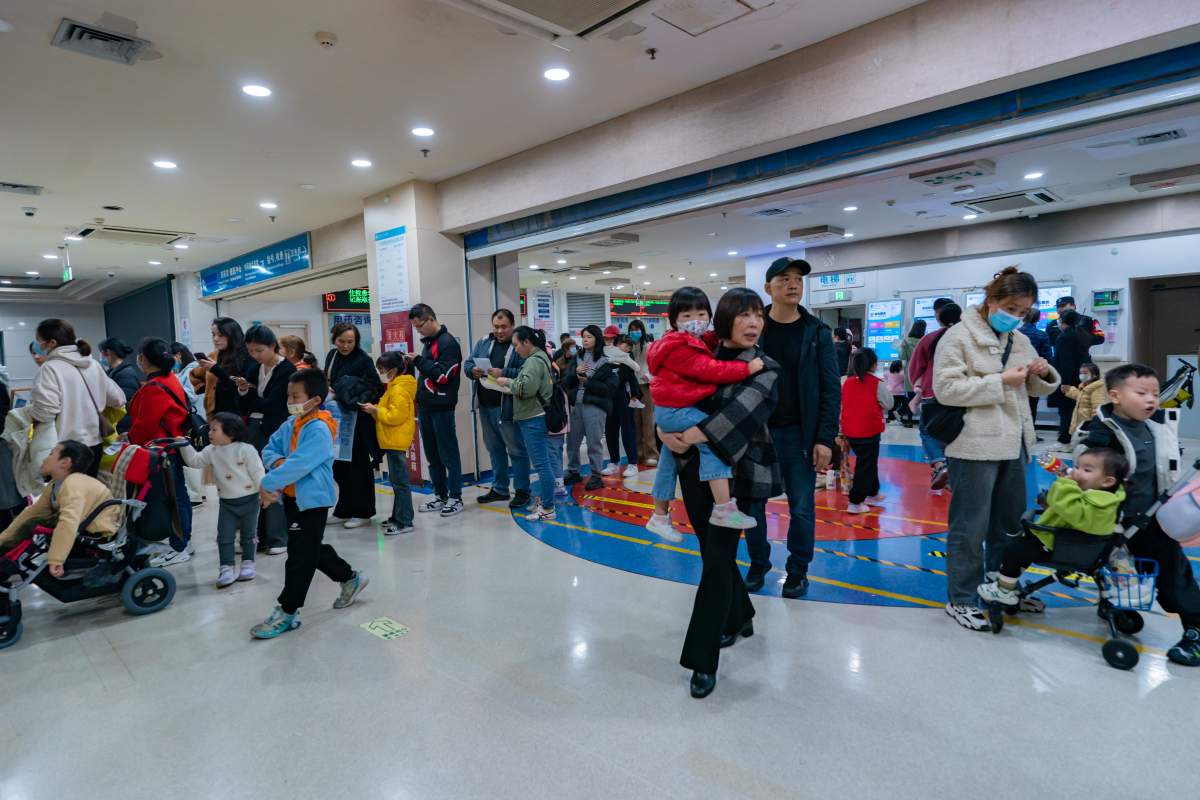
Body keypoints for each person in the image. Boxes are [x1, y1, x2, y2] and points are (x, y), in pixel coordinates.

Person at [659, 288, 781, 698]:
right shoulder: (699, 354)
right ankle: (740, 615)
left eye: (758, 316)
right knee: (713, 550)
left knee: (715, 563)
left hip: (739, 478)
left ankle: (702, 658)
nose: (753, 323)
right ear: (724, 319)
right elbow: (669, 394)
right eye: (744, 316)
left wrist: (689, 435)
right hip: (695, 473)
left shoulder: (763, 368)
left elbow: (737, 416)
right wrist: (663, 431)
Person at [933, 266, 1060, 631]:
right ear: (991, 301)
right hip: (974, 446)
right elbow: (947, 389)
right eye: (1012, 307)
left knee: (1010, 526)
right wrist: (999, 381)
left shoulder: (1019, 341)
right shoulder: (958, 337)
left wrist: (1042, 372)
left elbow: (1034, 389)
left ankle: (1001, 589)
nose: (1016, 316)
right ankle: (962, 598)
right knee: (970, 527)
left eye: (1024, 311)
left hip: (1015, 444)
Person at [1076, 363, 1200, 666]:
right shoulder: (1100, 433)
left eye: (1155, 393)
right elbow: (1086, 475)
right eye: (1142, 393)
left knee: (1172, 574)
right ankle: (1116, 606)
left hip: (1153, 518)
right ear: (1116, 396)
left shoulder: (1156, 425)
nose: (1151, 400)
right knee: (1112, 568)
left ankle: (1196, 630)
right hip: (1113, 521)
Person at [742, 257, 840, 599]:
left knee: (801, 506)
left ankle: (798, 570)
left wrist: (825, 438)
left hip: (800, 433)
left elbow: (830, 388)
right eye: (784, 279)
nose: (793, 284)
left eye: (798, 278)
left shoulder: (817, 333)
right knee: (752, 505)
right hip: (757, 433)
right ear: (768, 288)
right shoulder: (752, 330)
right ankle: (758, 564)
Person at [252, 369, 368, 640]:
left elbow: (301, 463)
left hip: (313, 501)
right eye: (288, 395)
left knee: (299, 558)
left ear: (315, 400)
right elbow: (270, 449)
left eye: (296, 396)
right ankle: (350, 577)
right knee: (307, 547)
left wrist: (269, 482)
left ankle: (288, 610)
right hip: (293, 497)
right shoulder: (291, 423)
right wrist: (279, 465)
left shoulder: (318, 429)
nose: (290, 400)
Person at [644, 287, 760, 540]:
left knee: (668, 460)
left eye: (701, 312)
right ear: (673, 320)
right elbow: (710, 369)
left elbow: (706, 343)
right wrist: (747, 368)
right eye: (686, 315)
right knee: (711, 439)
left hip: (670, 410)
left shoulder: (681, 341)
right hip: (677, 410)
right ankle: (723, 507)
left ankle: (660, 515)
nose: (695, 320)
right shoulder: (678, 347)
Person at [977, 447, 1127, 606]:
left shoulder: (1097, 505)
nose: (1076, 472)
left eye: (1086, 470)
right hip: (1074, 546)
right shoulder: (1104, 498)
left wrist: (1066, 483)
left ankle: (1004, 590)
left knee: (1015, 552)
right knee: (1023, 548)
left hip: (1064, 549)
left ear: (1107, 481)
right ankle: (1008, 581)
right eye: (1077, 466)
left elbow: (1067, 506)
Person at [0, 441, 121, 577]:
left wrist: (56, 560)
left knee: (32, 524)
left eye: (51, 454)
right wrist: (3, 538)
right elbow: (33, 511)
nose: (46, 458)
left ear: (65, 462)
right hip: (82, 523)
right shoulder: (56, 483)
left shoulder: (73, 484)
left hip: (98, 530)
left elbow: (69, 522)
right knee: (31, 521)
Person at [126, 337, 195, 563]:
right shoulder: (169, 379)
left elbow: (144, 427)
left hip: (162, 451)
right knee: (179, 497)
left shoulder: (154, 388)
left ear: (144, 359)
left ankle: (180, 546)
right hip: (171, 448)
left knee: (173, 500)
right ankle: (184, 541)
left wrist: (130, 439)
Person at [29, 319, 126, 478]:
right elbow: (118, 399)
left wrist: (30, 412)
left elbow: (45, 413)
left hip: (65, 450)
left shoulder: (49, 369)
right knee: (88, 496)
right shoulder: (93, 364)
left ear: (52, 343)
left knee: (68, 498)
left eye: (39, 341)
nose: (38, 346)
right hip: (94, 445)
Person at [179, 413, 264, 588]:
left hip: (250, 500)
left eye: (214, 429)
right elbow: (195, 461)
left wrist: (265, 493)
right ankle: (226, 567)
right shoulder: (211, 451)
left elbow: (258, 473)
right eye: (210, 429)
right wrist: (184, 445)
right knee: (224, 537)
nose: (210, 433)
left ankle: (248, 563)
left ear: (231, 433)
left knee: (249, 535)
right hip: (227, 503)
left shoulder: (246, 450)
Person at [237, 325, 297, 550]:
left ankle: (278, 537)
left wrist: (251, 398)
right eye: (251, 351)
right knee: (255, 481)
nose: (255, 355)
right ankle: (258, 535)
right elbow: (244, 403)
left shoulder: (286, 370)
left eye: (259, 350)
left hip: (276, 429)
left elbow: (275, 405)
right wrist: (244, 391)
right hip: (254, 429)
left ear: (273, 346)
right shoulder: (254, 368)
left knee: (274, 480)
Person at [464, 309, 531, 509]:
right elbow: (468, 362)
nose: (499, 331)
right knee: (494, 449)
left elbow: (527, 371)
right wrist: (472, 371)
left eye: (504, 327)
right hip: (485, 405)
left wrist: (504, 372)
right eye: (496, 327)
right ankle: (500, 488)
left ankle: (522, 491)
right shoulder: (484, 342)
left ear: (512, 325)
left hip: (508, 407)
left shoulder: (520, 345)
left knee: (516, 450)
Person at [324, 322, 383, 527]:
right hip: (336, 419)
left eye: (350, 341)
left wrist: (347, 393)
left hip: (357, 420)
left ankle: (362, 511)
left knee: (358, 466)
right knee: (339, 466)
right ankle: (344, 509)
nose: (345, 345)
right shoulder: (332, 357)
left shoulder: (364, 360)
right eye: (341, 341)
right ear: (334, 339)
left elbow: (375, 387)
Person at [497, 326, 559, 522]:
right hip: (535, 416)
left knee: (542, 464)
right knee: (542, 463)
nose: (515, 349)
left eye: (516, 345)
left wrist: (507, 381)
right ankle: (545, 502)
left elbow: (525, 389)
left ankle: (548, 508)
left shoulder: (533, 361)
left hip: (533, 418)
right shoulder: (541, 357)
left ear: (526, 342)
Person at [409, 303, 465, 517]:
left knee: (448, 452)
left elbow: (443, 376)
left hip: (442, 407)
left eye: (420, 326)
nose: (418, 330)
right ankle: (440, 494)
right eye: (415, 327)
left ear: (431, 319)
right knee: (433, 455)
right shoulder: (429, 342)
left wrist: (419, 361)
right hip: (425, 406)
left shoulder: (448, 343)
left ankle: (455, 496)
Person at [907, 301, 962, 491]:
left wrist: (917, 385)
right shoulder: (966, 338)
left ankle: (940, 466)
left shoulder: (930, 339)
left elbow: (915, 367)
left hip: (933, 392)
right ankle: (953, 474)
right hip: (961, 393)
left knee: (927, 431)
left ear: (938, 318)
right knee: (955, 434)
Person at [361, 352, 417, 535]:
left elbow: (395, 416)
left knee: (400, 483)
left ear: (393, 370)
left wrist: (375, 410)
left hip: (396, 440)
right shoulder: (395, 386)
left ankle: (405, 521)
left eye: (382, 370)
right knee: (396, 482)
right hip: (392, 439)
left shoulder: (399, 389)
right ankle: (397, 517)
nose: (380, 373)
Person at [562, 325, 618, 491]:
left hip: (594, 406)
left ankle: (596, 475)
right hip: (576, 405)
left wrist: (589, 382)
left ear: (597, 339)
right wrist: (574, 373)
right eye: (584, 337)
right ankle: (573, 471)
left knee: (594, 442)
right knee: (572, 442)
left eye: (589, 337)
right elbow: (566, 382)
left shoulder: (605, 361)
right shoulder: (576, 358)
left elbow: (610, 388)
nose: (585, 340)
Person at [841, 348, 892, 514]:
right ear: (874, 364)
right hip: (869, 432)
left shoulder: (846, 382)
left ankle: (873, 493)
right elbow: (889, 404)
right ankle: (855, 502)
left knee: (868, 463)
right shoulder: (877, 383)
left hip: (850, 431)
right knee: (865, 466)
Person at [1051, 309, 1103, 449]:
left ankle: (1065, 440)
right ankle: (1075, 439)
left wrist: (1064, 383)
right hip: (1082, 378)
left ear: (1063, 321)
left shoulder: (1064, 338)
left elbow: (1065, 362)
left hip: (1068, 378)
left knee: (1066, 411)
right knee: (1078, 410)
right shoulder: (1083, 334)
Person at [602, 333, 643, 479]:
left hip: (624, 398)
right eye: (625, 346)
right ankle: (614, 462)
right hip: (609, 399)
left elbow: (633, 378)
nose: (627, 349)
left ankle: (633, 463)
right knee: (610, 430)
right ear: (616, 344)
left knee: (627, 430)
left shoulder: (627, 361)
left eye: (629, 347)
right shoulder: (605, 357)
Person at [194, 317, 251, 418]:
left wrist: (215, 369)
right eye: (213, 334)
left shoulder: (246, 356)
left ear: (232, 335)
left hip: (237, 416)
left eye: (220, 335)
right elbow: (195, 376)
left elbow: (239, 387)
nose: (215, 339)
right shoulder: (218, 354)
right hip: (217, 414)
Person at [626, 319, 658, 466]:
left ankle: (651, 454)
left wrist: (650, 376)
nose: (634, 332)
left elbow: (656, 366)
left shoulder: (650, 346)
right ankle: (638, 452)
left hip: (646, 386)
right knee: (635, 422)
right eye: (632, 329)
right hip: (632, 387)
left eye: (637, 329)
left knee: (647, 421)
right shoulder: (628, 347)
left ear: (642, 330)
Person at [98, 337, 143, 433]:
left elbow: (125, 405)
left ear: (109, 352)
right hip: (116, 424)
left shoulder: (126, 375)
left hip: (122, 428)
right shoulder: (113, 372)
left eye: (101, 353)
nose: (101, 357)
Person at [1018, 307, 1051, 436]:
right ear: (1038, 319)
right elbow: (1047, 358)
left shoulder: (1015, 333)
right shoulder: (1042, 335)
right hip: (1034, 376)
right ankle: (1030, 433)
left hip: (1017, 374)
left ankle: (1018, 433)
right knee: (1032, 406)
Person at [1063, 362, 1105, 435]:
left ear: (1094, 375)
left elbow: (1097, 408)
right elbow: (1081, 397)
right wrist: (1070, 390)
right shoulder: (1084, 386)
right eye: (1080, 373)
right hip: (1081, 422)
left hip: (1088, 423)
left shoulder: (1096, 389)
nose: (1082, 375)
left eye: (1085, 373)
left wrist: (1095, 425)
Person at [897, 320, 925, 413]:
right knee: (920, 396)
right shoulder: (924, 341)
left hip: (910, 372)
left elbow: (902, 357)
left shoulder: (906, 341)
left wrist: (901, 348)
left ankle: (907, 418)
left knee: (909, 396)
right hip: (922, 372)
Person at [885, 360, 911, 425]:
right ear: (899, 367)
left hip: (891, 392)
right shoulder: (902, 374)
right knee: (906, 404)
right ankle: (898, 413)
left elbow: (885, 377)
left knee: (892, 406)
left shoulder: (887, 373)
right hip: (900, 393)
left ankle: (890, 419)